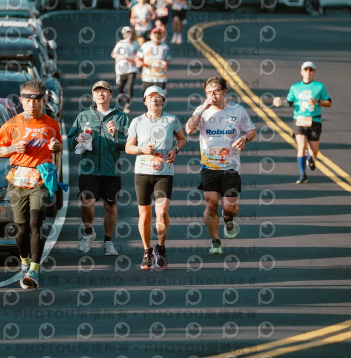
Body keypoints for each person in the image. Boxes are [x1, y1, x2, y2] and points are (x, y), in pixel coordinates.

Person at [0, 80, 62, 289]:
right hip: (18, 179)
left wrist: (56, 146)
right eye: (28, 100)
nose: (32, 104)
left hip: (40, 178)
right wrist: (13, 148)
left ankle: (34, 269)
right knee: (21, 228)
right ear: (21, 100)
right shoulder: (11, 124)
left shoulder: (51, 124)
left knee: (36, 223)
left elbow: (58, 146)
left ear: (43, 101)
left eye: (37, 100)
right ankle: (24, 261)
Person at [185, 76, 256, 254]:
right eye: (209, 92)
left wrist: (244, 138)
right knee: (211, 205)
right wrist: (201, 109)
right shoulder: (202, 111)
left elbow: (252, 130)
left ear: (224, 92)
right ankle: (215, 241)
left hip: (231, 167)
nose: (213, 96)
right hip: (209, 166)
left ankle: (228, 217)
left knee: (228, 206)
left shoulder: (237, 110)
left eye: (216, 91)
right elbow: (189, 129)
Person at [125, 85, 186, 269]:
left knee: (162, 212)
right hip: (142, 173)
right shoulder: (137, 121)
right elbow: (128, 147)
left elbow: (182, 139)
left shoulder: (171, 120)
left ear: (163, 100)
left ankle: (160, 247)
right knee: (145, 215)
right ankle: (146, 251)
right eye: (151, 97)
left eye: (158, 97)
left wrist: (175, 150)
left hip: (164, 172)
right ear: (145, 101)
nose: (155, 100)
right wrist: (142, 149)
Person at [68, 80, 130, 256]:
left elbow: (128, 144)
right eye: (97, 91)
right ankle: (89, 233)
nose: (101, 94)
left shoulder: (121, 117)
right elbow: (71, 138)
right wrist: (77, 139)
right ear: (93, 96)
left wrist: (115, 134)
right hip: (89, 168)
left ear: (111, 95)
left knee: (110, 207)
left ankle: (108, 242)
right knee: (86, 202)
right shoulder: (83, 116)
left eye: (105, 91)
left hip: (111, 170)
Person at [273, 61, 332, 183]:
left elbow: (329, 103)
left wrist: (317, 102)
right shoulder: (295, 87)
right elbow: (289, 102)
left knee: (314, 151)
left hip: (314, 120)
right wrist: (280, 103)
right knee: (301, 145)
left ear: (314, 72)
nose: (308, 72)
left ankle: (310, 158)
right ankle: (303, 174)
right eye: (306, 69)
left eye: (311, 70)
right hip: (299, 120)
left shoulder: (319, 87)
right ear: (301, 72)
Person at [111, 26, 139, 114]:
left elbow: (138, 56)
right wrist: (123, 57)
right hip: (121, 69)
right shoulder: (120, 44)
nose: (128, 35)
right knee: (120, 86)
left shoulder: (135, 44)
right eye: (126, 33)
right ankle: (121, 94)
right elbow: (113, 54)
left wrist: (133, 60)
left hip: (132, 68)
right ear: (123, 35)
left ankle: (127, 105)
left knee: (130, 86)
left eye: (129, 32)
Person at [135, 27, 171, 93]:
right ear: (150, 36)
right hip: (147, 76)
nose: (157, 36)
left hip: (161, 77)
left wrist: (164, 64)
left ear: (161, 36)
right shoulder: (145, 46)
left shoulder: (165, 47)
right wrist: (139, 62)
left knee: (160, 96)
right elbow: (137, 57)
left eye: (159, 34)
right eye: (155, 34)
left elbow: (168, 60)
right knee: (147, 96)